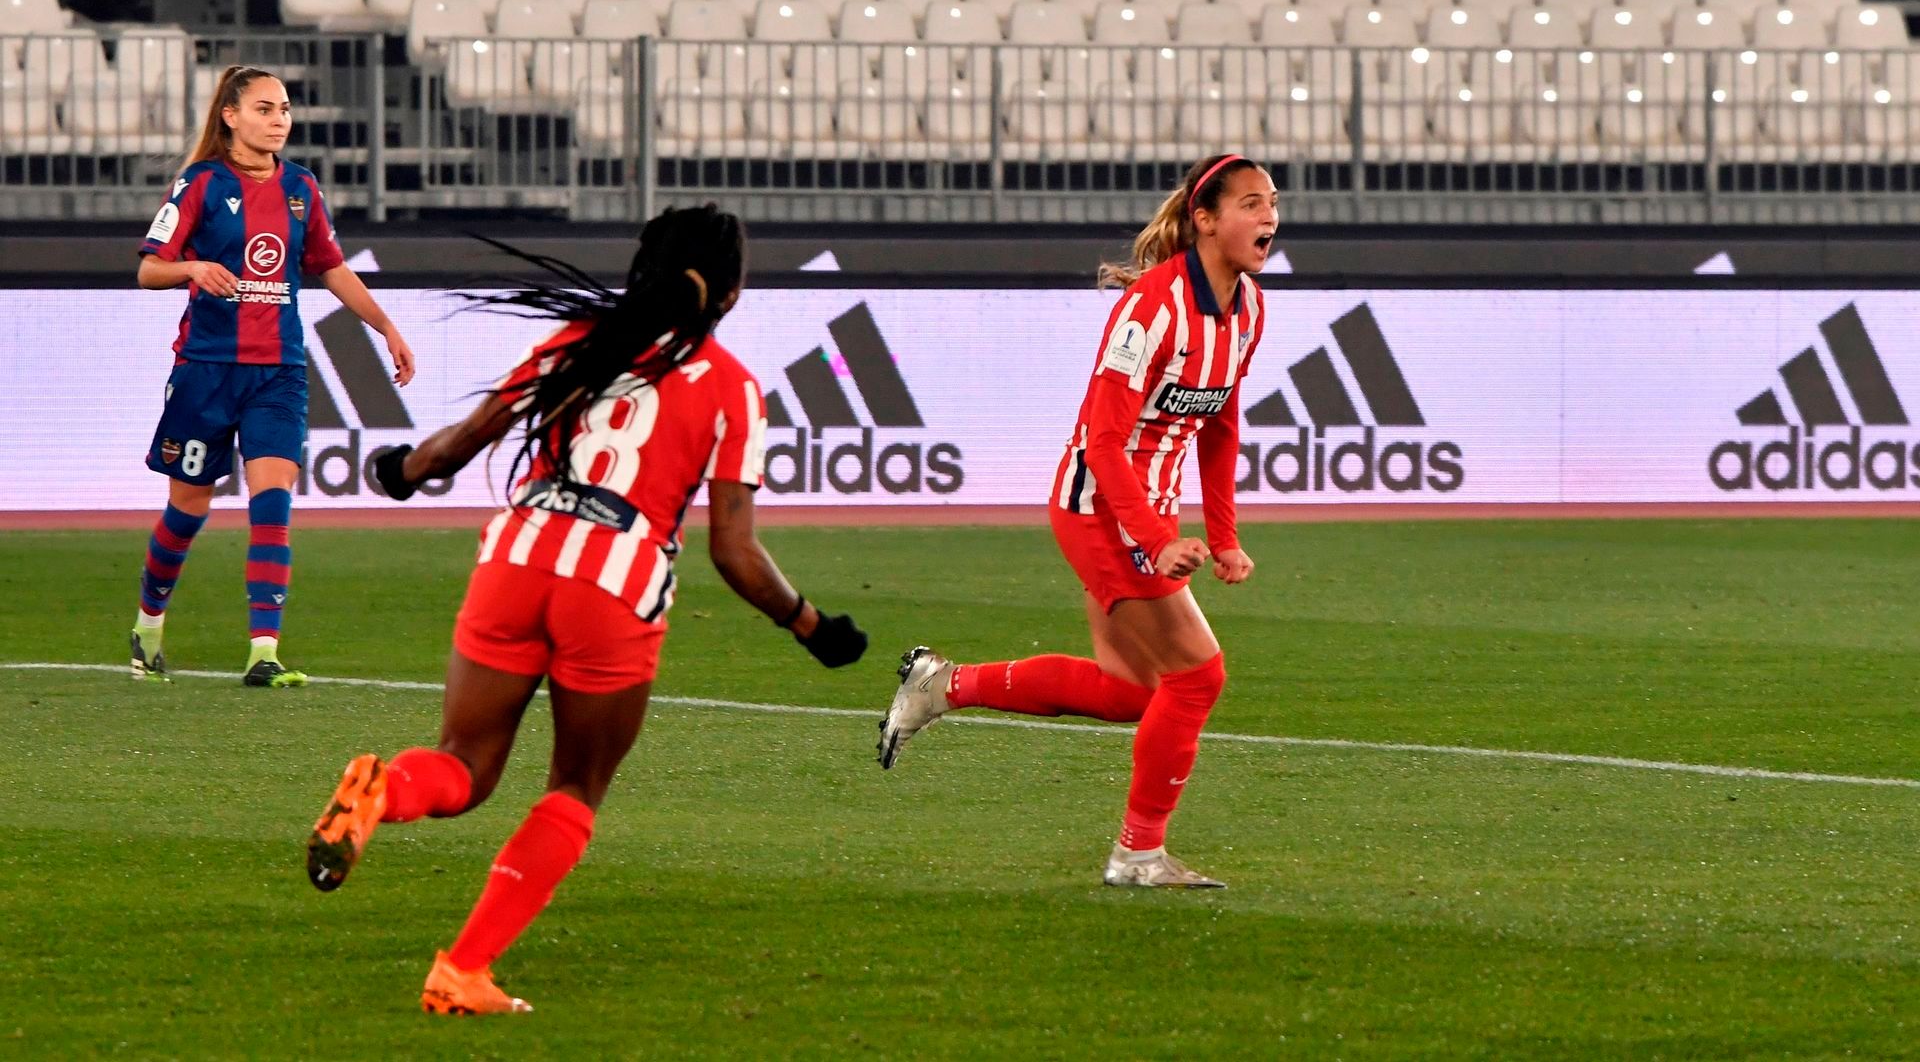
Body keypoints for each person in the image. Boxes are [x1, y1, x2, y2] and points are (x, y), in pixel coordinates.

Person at [303, 205, 868, 1015]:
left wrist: (401, 471)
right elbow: (734, 551)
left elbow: (458, 444)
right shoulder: (733, 387)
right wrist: (812, 626)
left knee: (463, 762)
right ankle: (462, 971)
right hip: (616, 576)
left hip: (518, 549)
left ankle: (382, 791)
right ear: (732, 294)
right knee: (574, 786)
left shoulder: (576, 342)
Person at [877, 155, 1278, 889]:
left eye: (1272, 202)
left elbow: (1221, 423)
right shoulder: (1151, 309)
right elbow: (1104, 440)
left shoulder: (1248, 307)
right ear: (1205, 219)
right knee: (1197, 677)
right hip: (1101, 511)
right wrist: (1156, 540)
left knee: (1131, 691)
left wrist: (1223, 537)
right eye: (1251, 203)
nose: (1270, 216)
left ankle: (943, 685)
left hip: (1143, 517)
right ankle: (1138, 855)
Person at [130, 64, 414, 687]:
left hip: (279, 371)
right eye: (264, 108)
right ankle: (148, 625)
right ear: (230, 116)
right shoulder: (200, 183)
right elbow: (149, 269)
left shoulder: (301, 187)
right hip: (207, 370)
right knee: (187, 510)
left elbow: (331, 267)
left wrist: (385, 327)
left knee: (272, 505)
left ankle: (264, 652)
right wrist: (192, 269)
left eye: (284, 108)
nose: (279, 119)